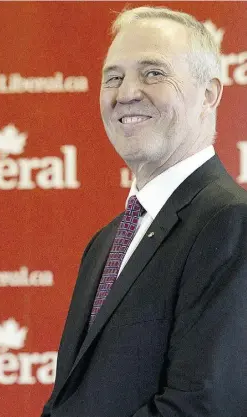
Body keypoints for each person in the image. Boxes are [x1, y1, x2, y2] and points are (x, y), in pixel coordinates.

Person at [42, 6, 247, 417]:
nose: (126, 93)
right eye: (113, 77)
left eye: (153, 73)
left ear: (209, 94)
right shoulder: (107, 240)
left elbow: (202, 407)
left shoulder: (231, 224)